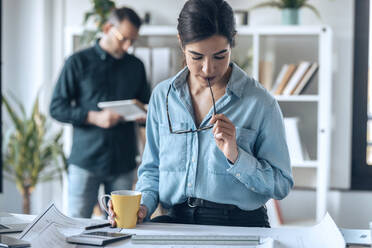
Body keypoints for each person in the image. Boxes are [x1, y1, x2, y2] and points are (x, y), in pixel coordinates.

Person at [108, 0, 293, 227]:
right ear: (181, 43)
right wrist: (142, 206)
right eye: (196, 57)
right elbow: (152, 170)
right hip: (174, 223)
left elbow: (281, 184)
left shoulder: (260, 103)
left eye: (219, 56)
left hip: (239, 226)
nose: (208, 68)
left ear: (232, 41)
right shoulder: (162, 96)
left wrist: (236, 156)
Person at [50, 6, 151, 218]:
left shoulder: (136, 66)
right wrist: (93, 117)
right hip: (85, 161)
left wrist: (144, 117)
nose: (128, 46)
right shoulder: (77, 62)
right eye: (124, 38)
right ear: (107, 28)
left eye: (133, 41)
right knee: (76, 224)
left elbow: (146, 107)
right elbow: (56, 107)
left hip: (123, 161)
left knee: (124, 224)